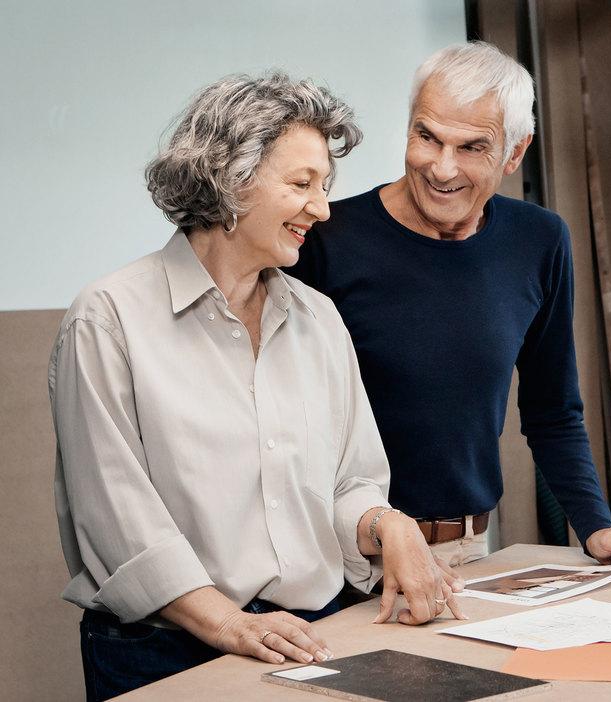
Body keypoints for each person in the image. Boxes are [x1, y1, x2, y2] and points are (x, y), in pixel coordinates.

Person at [51, 73, 464, 701]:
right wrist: (229, 623)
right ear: (226, 179)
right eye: (301, 185)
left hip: (307, 636)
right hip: (165, 655)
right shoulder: (108, 318)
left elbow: (347, 483)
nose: (322, 209)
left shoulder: (319, 319)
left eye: (324, 186)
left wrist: (386, 523)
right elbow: (118, 521)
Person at [285, 42, 611, 574]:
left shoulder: (539, 240)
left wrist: (596, 527)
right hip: (339, 552)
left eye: (471, 147)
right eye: (427, 137)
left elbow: (553, 411)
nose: (442, 168)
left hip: (462, 551)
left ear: (514, 152)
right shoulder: (325, 239)